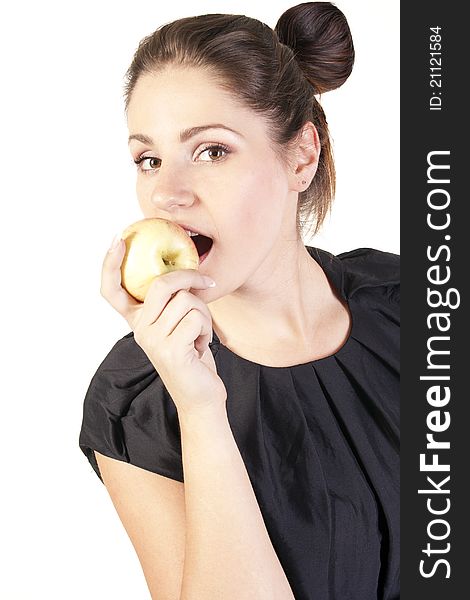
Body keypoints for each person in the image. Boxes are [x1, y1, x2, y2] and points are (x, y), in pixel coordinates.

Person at [78, 3, 399, 599]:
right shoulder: (138, 402)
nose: (166, 195)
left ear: (301, 156)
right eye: (149, 160)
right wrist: (200, 408)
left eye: (211, 151)